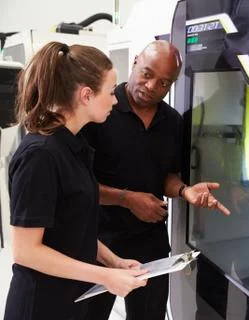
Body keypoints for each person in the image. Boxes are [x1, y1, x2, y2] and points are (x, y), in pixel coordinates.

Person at [80, 40, 230, 320]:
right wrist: (127, 199)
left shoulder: (172, 122)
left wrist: (185, 191)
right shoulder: (100, 112)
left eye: (164, 83)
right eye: (147, 74)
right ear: (135, 61)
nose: (151, 86)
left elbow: (166, 177)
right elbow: (77, 187)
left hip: (151, 243)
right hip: (100, 240)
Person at [3, 42, 149, 320]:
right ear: (86, 95)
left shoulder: (73, 147)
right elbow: (26, 252)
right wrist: (105, 276)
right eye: (111, 91)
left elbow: (73, 231)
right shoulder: (40, 156)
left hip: (71, 301)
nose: (116, 100)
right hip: (40, 307)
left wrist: (114, 262)